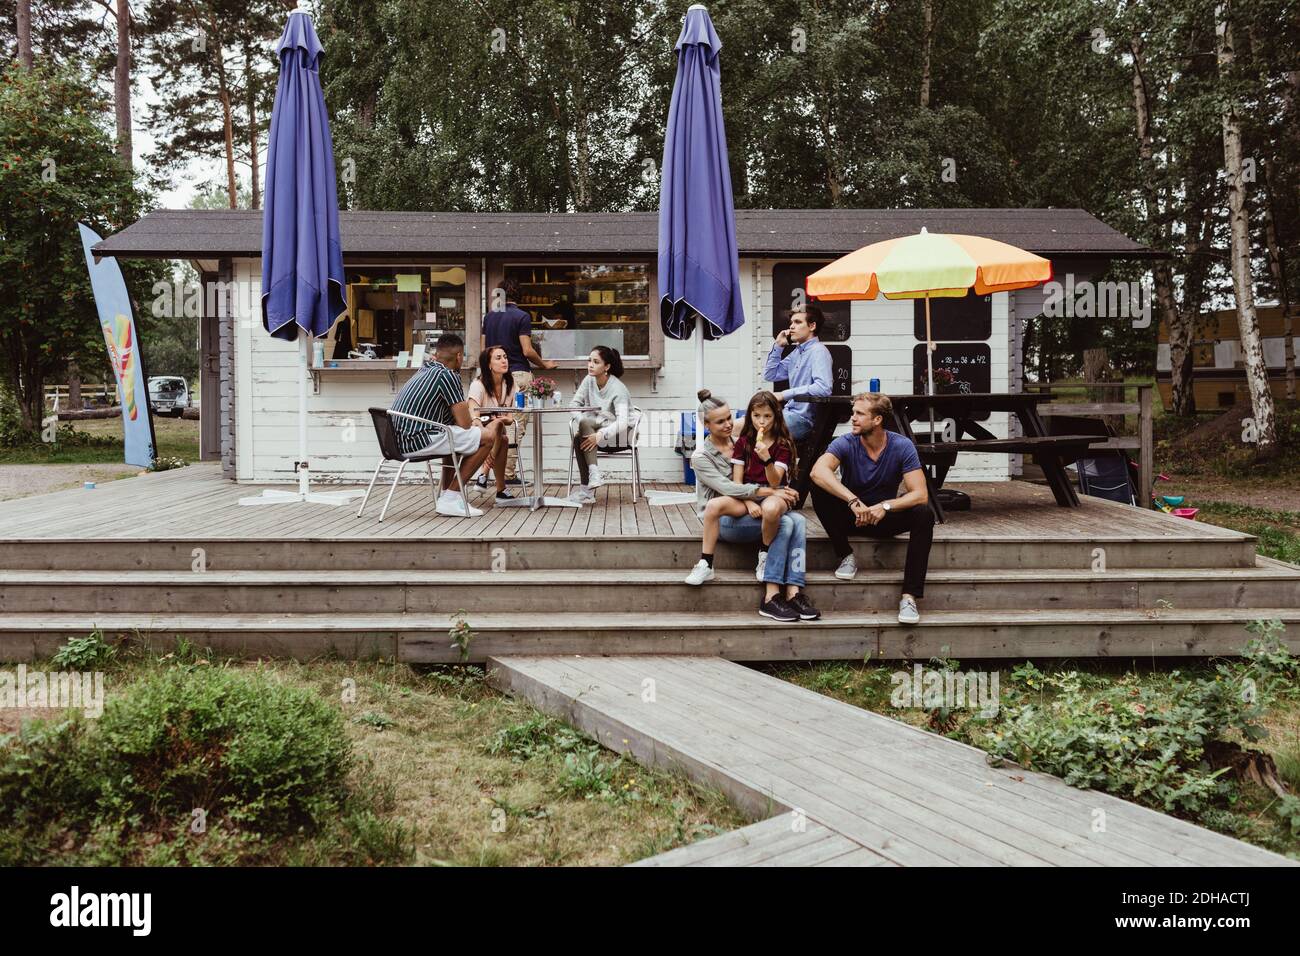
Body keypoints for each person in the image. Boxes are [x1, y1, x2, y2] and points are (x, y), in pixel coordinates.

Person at [684, 389, 820, 623]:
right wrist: (771, 492)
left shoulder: (744, 441)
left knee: (797, 520)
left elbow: (762, 421)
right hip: (727, 520)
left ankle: (793, 592)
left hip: (755, 509)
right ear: (706, 425)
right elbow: (730, 488)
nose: (728, 425)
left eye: (729, 418)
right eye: (720, 421)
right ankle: (769, 593)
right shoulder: (700, 458)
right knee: (787, 522)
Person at [810, 392, 934, 624]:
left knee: (923, 514)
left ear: (877, 420)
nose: (853, 418)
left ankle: (909, 597)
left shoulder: (902, 446)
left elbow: (920, 495)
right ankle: (845, 555)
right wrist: (853, 502)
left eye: (859, 414)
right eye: (853, 412)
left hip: (883, 519)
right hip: (851, 517)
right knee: (817, 486)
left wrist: (885, 506)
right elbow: (818, 471)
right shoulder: (846, 442)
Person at [389, 333, 507, 518]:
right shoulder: (447, 375)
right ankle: (451, 497)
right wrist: (480, 424)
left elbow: (455, 424)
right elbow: (465, 424)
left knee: (454, 437)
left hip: (396, 442)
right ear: (459, 356)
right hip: (416, 441)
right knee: (487, 438)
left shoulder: (424, 370)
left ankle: (446, 494)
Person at [480, 278, 557, 485]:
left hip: (493, 376)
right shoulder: (522, 316)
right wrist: (544, 365)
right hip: (517, 375)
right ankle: (506, 475)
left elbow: (483, 350)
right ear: (519, 295)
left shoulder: (489, 317)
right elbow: (527, 350)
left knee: (495, 424)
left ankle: (486, 472)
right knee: (515, 425)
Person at [730, 390, 798, 581]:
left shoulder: (783, 444)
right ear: (749, 415)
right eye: (756, 416)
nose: (761, 422)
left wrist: (767, 458)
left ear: (776, 417)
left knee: (770, 508)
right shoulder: (743, 443)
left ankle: (764, 552)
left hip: (776, 493)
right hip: (749, 492)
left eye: (767, 416)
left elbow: (776, 481)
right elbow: (737, 482)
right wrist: (749, 503)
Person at [568, 346, 633, 503]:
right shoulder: (589, 380)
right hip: (597, 431)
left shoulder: (618, 389)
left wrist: (600, 434)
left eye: (596, 362)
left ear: (607, 367)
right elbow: (574, 405)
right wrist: (586, 422)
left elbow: (623, 422)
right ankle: (589, 487)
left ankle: (590, 483)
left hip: (621, 436)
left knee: (582, 434)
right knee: (579, 436)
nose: (590, 364)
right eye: (589, 360)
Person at [763, 304, 833, 441]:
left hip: (803, 421)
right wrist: (778, 346)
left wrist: (784, 395)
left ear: (812, 326)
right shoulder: (797, 353)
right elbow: (770, 374)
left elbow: (823, 388)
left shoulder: (818, 351)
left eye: (798, 322)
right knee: (740, 424)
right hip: (788, 414)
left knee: (748, 428)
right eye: (791, 323)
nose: (791, 327)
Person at [467, 345, 519, 500]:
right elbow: (472, 408)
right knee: (499, 428)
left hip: (498, 431)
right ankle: (498, 487)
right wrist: (478, 419)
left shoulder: (510, 384)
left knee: (502, 436)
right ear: (489, 364)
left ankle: (485, 476)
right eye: (498, 358)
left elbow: (510, 418)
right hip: (480, 429)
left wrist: (504, 419)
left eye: (505, 357)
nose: (504, 361)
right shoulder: (479, 384)